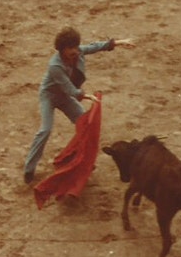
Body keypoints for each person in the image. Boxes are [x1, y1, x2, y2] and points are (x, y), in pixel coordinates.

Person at [24, 28, 136, 184]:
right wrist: (85, 96)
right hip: (49, 96)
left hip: (65, 96)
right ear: (61, 49)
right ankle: (29, 169)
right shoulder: (54, 66)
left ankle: (82, 161)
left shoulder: (78, 52)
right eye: (70, 48)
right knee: (45, 130)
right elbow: (68, 88)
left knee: (85, 124)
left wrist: (119, 42)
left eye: (75, 47)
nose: (74, 51)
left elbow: (95, 46)